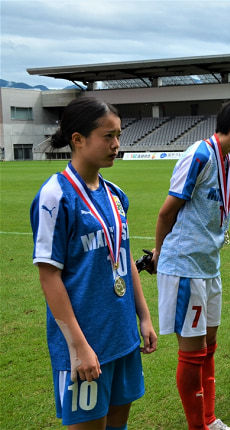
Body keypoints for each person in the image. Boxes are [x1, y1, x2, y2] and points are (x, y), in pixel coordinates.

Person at [30, 97, 157, 429]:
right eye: (108, 136)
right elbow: (49, 277)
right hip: (86, 343)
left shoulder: (115, 194)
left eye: (118, 135)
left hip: (122, 336)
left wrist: (143, 317)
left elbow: (124, 258)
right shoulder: (55, 196)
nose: (117, 145)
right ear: (78, 139)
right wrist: (78, 347)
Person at [153, 99, 230, 429]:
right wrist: (161, 255)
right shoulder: (199, 155)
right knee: (192, 353)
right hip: (185, 266)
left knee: (208, 348)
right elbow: (166, 212)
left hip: (209, 265)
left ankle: (209, 420)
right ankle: (197, 427)